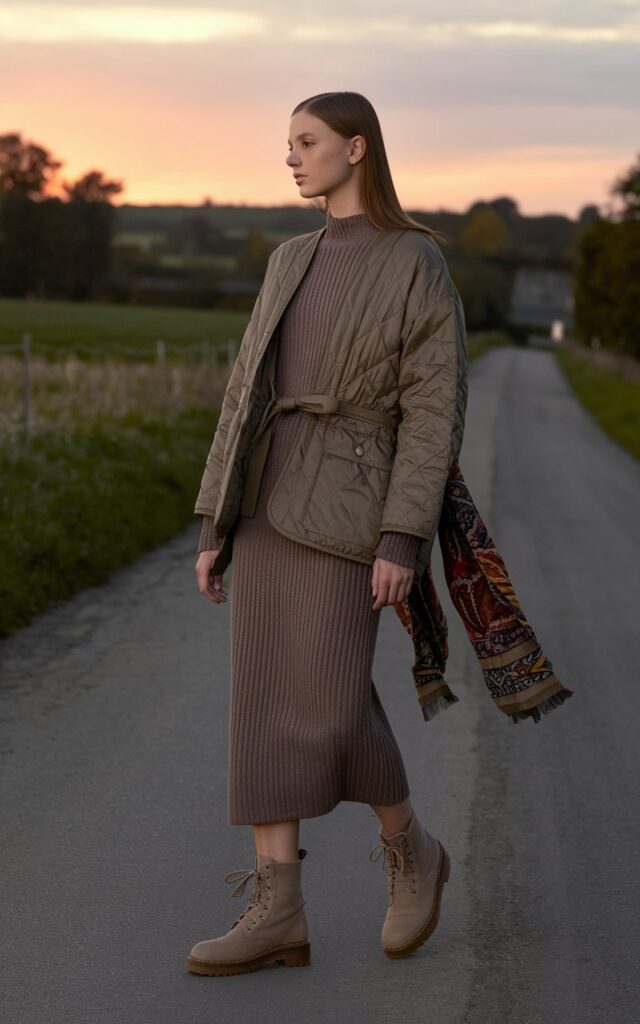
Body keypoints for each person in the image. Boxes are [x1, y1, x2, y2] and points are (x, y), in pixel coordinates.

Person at [186, 91, 466, 976]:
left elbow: (433, 411)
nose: (292, 157)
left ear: (357, 148)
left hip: (354, 507)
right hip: (268, 502)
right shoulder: (289, 259)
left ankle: (410, 850)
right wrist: (216, 518)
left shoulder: (417, 261)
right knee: (267, 697)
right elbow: (244, 391)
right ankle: (279, 911)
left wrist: (402, 536)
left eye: (306, 142)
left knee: (334, 700)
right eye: (287, 144)